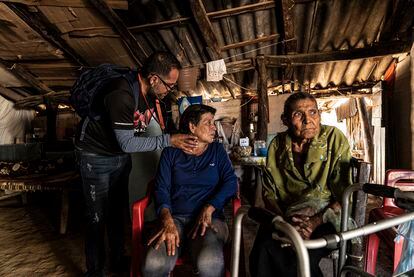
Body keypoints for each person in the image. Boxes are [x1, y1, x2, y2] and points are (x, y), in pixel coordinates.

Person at [74, 51, 198, 277]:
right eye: (169, 85)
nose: (170, 89)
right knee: (96, 218)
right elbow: (127, 144)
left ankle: (117, 261)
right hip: (96, 157)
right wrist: (169, 140)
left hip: (118, 157)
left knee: (117, 212)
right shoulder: (120, 94)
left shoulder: (151, 94)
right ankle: (95, 271)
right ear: (153, 79)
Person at [249, 92, 353, 277]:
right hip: (287, 217)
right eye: (298, 114)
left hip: (327, 217)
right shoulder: (278, 145)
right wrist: (284, 223)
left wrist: (313, 222)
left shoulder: (333, 138)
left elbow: (344, 195)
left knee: (297, 256)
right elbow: (269, 193)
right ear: (286, 120)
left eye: (313, 112)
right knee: (262, 250)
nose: (308, 120)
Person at [141, 104, 238, 277]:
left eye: (213, 123)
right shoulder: (171, 153)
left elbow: (231, 182)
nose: (213, 127)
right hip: (175, 219)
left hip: (210, 220)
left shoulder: (217, 151)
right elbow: (161, 188)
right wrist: (167, 219)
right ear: (192, 127)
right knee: (154, 262)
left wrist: (210, 207)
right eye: (208, 122)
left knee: (210, 262)